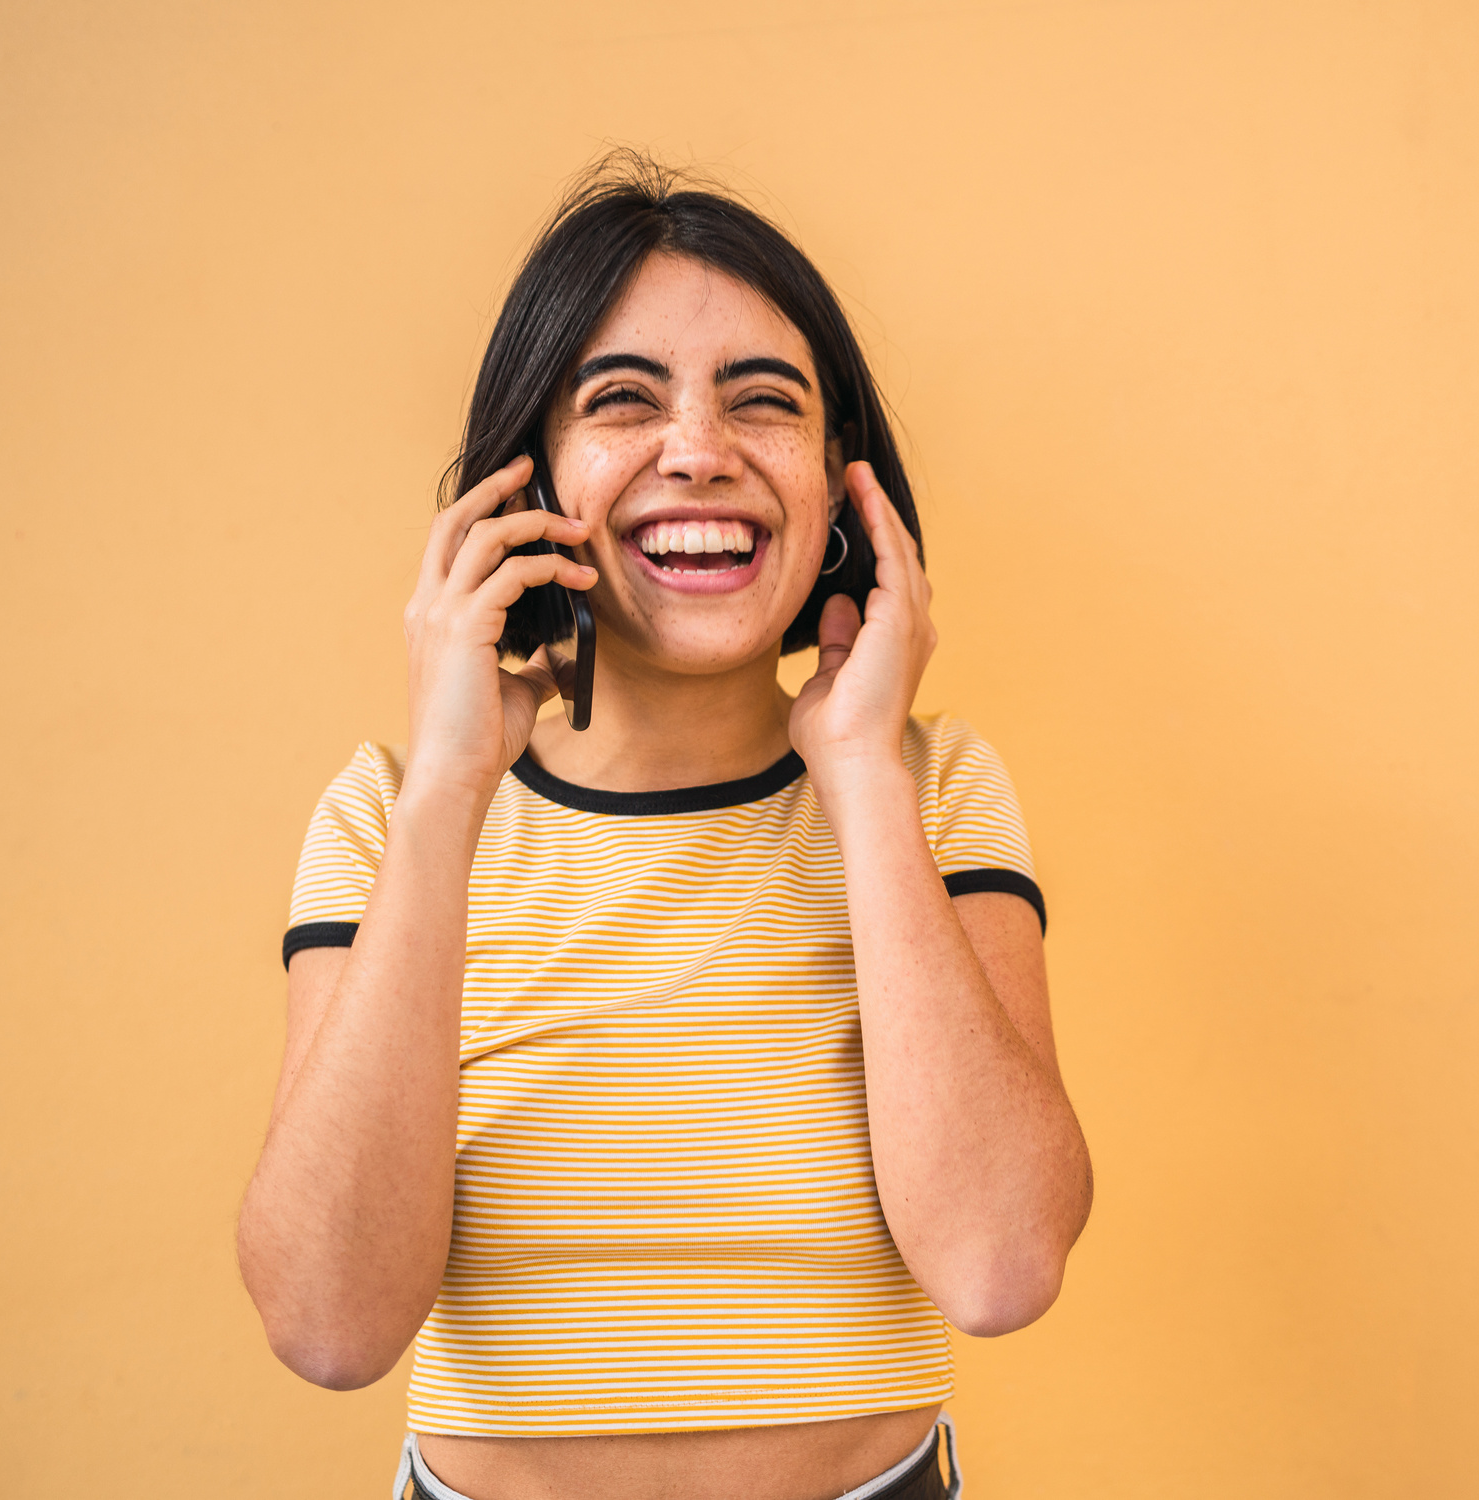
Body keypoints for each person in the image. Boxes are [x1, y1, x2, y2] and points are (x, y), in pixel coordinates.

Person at [236, 155, 1092, 1500]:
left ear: (841, 491)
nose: (698, 450)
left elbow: (998, 1268)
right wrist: (453, 781)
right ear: (523, 479)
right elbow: (331, 1327)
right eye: (621, 403)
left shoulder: (934, 791)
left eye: (765, 404)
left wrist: (859, 763)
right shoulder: (388, 815)